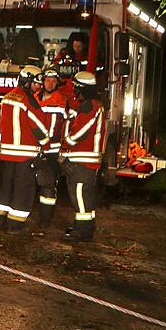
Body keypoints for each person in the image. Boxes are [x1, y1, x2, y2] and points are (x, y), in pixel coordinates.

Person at [0, 65, 49, 232]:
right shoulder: (28, 100)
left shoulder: (7, 97)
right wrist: (46, 144)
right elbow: (38, 126)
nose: (39, 87)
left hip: (8, 153)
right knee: (23, 190)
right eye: (36, 83)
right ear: (28, 82)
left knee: (6, 188)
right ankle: (15, 225)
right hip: (25, 154)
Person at [61, 71, 106, 242]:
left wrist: (66, 143)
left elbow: (79, 131)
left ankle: (82, 231)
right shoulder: (93, 105)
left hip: (83, 159)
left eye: (76, 88)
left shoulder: (90, 106)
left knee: (79, 192)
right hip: (87, 159)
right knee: (86, 194)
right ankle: (86, 226)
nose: (74, 91)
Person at [35, 68, 68, 228]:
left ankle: (45, 220)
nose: (50, 83)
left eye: (54, 81)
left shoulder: (61, 101)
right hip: (33, 148)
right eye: (48, 80)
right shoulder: (34, 98)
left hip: (51, 151)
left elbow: (64, 127)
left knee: (48, 186)